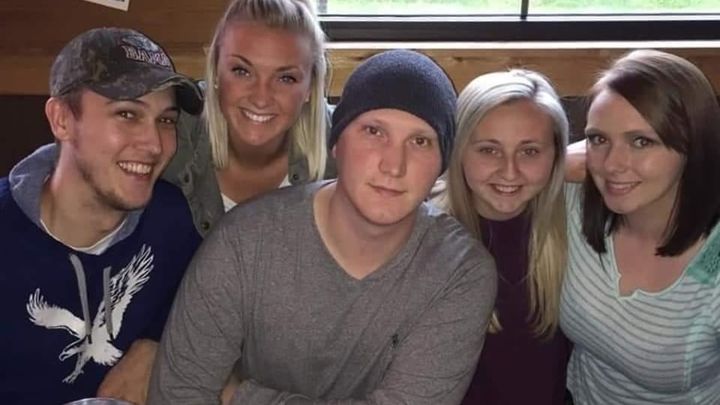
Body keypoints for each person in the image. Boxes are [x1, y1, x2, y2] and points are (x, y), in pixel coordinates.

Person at [147, 49, 497, 405]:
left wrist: (242, 396)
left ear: (441, 164)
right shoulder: (243, 242)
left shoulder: (459, 272)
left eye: (420, 141)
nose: (394, 165)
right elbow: (178, 394)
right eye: (374, 131)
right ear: (337, 144)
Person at [0, 27, 203, 404]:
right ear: (61, 119)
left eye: (166, 120)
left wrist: (157, 344)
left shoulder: (171, 222)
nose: (155, 144)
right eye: (127, 114)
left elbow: (204, 309)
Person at [560, 49, 720, 403]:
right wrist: (552, 164)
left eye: (641, 141)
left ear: (693, 146)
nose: (612, 165)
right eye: (599, 139)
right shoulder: (573, 201)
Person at [435, 69, 572, 404]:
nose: (509, 171)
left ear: (556, 155)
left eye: (530, 151)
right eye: (488, 150)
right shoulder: (427, 236)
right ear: (458, 150)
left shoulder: (573, 222)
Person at [163, 0, 332, 236]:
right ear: (215, 71)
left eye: (286, 78)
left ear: (310, 88)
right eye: (242, 71)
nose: (261, 99)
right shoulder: (172, 136)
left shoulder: (343, 146)